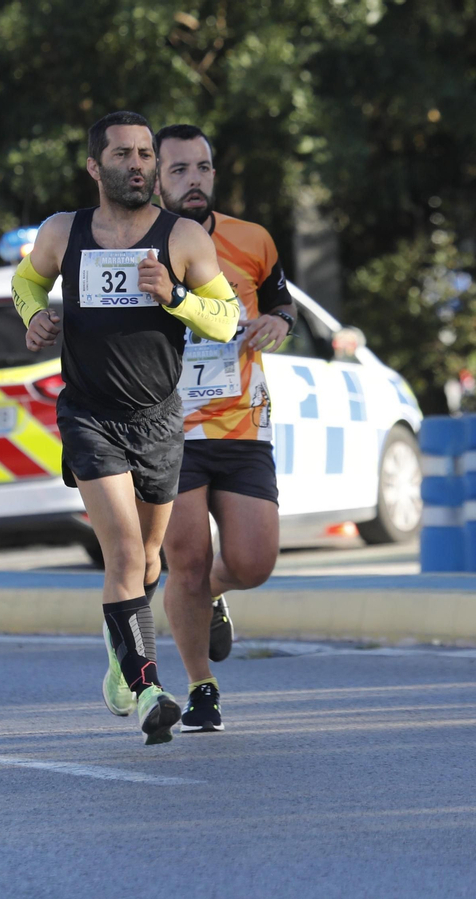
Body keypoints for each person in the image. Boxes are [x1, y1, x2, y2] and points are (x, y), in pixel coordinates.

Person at [11, 111, 239, 745]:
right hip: (90, 416)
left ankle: (120, 651)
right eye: (124, 155)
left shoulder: (184, 237)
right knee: (122, 555)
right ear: (95, 166)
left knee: (145, 566)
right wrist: (33, 315)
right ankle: (147, 688)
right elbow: (27, 280)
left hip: (159, 420)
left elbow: (224, 320)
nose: (138, 164)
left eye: (145, 154)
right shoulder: (65, 232)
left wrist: (175, 296)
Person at [152, 123, 298, 734]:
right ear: (155, 178)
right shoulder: (137, 246)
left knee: (254, 562)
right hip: (169, 429)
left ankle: (210, 594)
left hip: (243, 424)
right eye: (179, 170)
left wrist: (279, 324)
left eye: (203, 168)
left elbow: (281, 302)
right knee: (185, 559)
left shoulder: (252, 239)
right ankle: (200, 686)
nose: (194, 180)